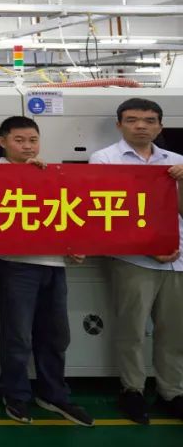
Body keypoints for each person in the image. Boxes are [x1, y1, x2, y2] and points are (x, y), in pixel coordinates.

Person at [0, 116, 93, 426]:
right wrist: (24, 176)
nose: (27, 146)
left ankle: (53, 393)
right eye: (19, 140)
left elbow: (65, 213)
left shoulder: (51, 174)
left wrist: (74, 245)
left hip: (53, 264)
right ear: (3, 142)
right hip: (16, 265)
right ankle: (16, 394)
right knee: (18, 335)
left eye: (33, 140)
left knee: (56, 335)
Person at [90, 98, 183, 424]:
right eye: (132, 120)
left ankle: (172, 391)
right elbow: (110, 212)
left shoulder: (177, 161)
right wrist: (148, 248)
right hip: (134, 259)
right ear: (119, 125)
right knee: (131, 329)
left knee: (174, 331)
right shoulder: (104, 159)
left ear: (160, 126)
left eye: (149, 120)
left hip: (177, 257)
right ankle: (133, 390)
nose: (141, 126)